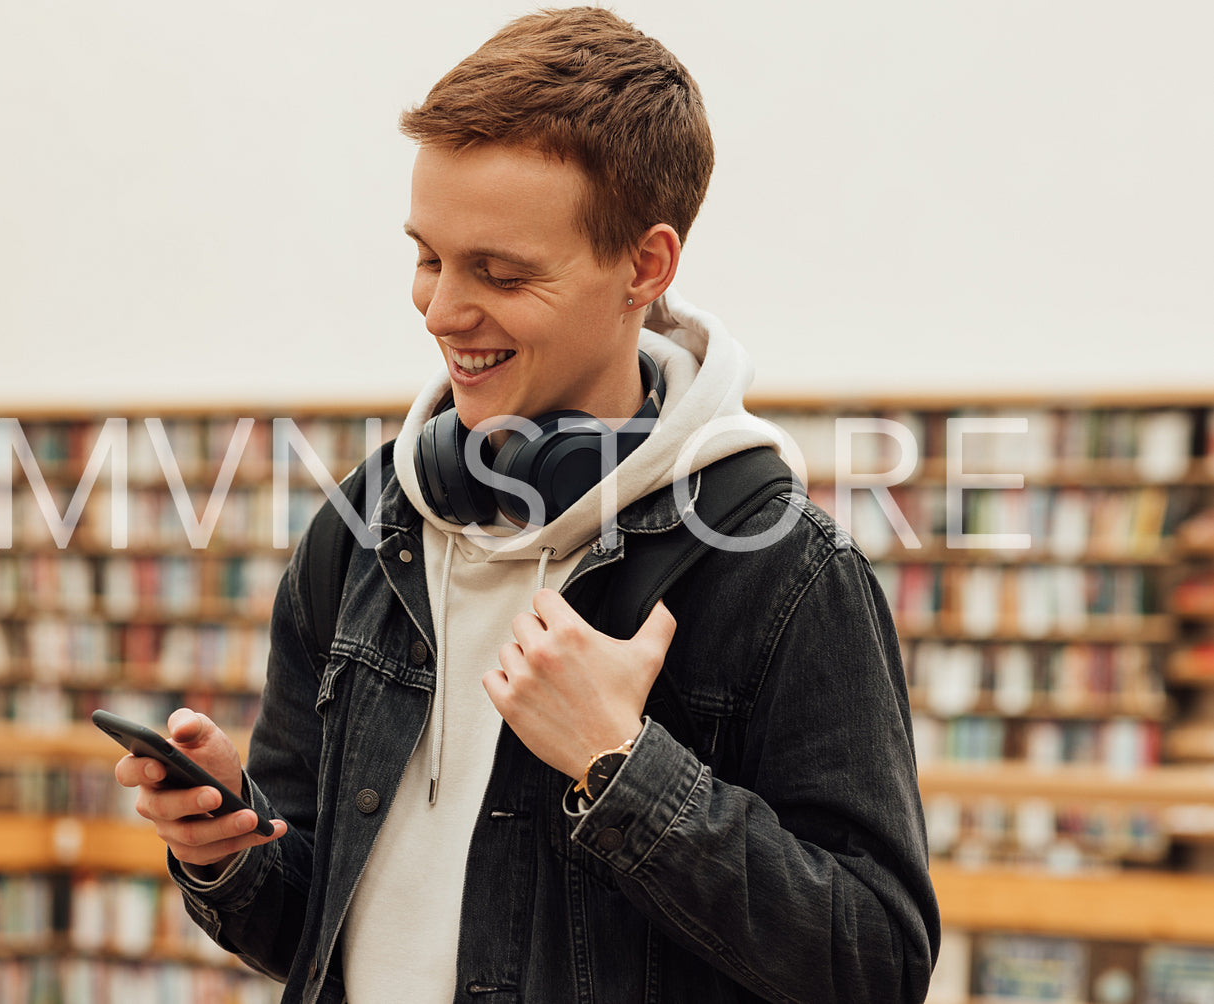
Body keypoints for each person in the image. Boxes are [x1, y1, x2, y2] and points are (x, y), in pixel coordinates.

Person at [115, 8, 941, 1002]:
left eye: (499, 273)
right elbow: (304, 926)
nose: (439, 310)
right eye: (426, 255)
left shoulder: (780, 569)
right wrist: (228, 850)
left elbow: (874, 963)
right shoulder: (359, 531)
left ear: (644, 265)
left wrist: (619, 764)